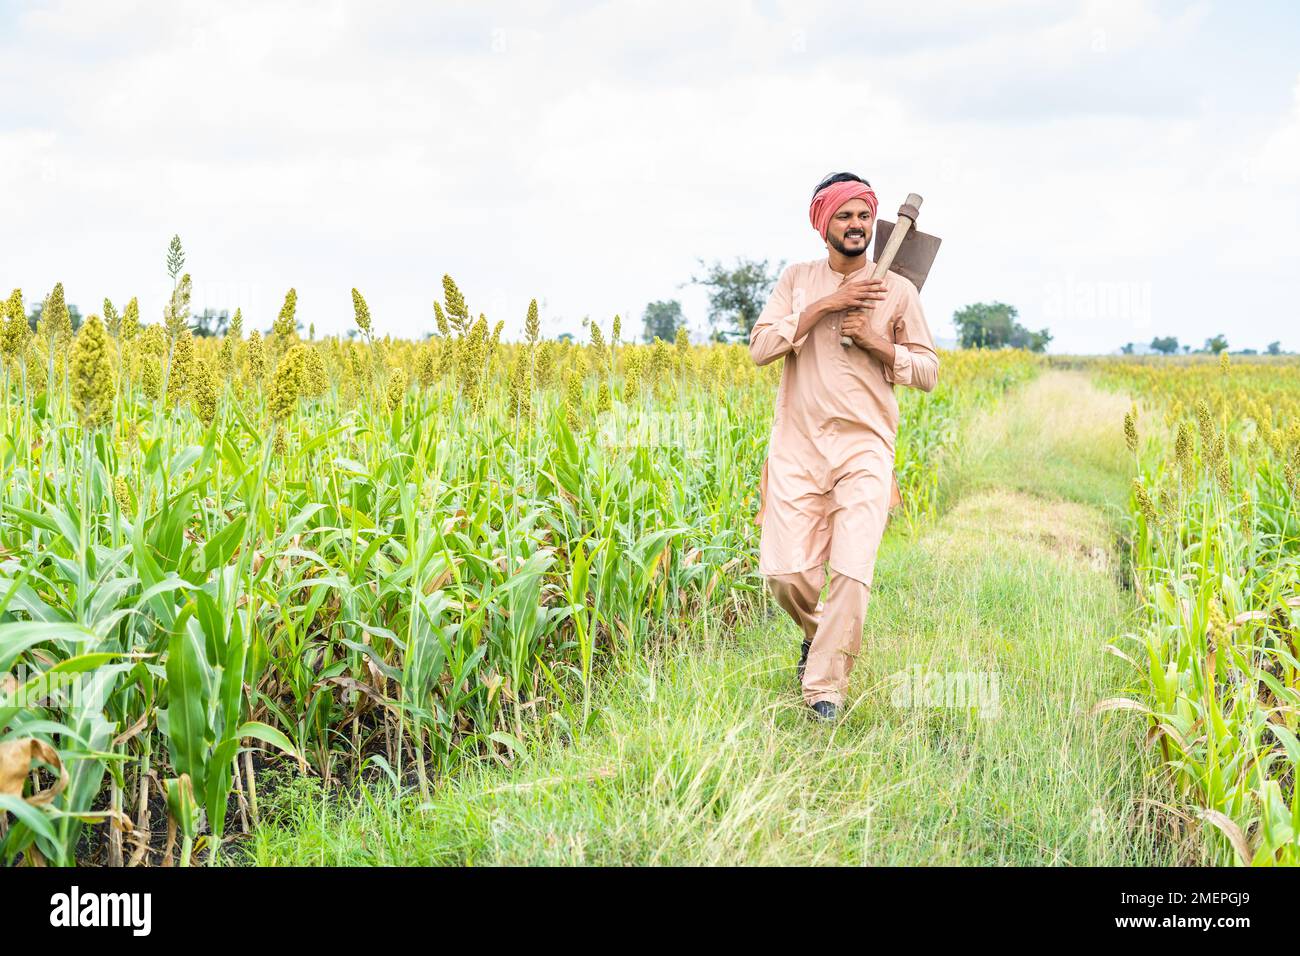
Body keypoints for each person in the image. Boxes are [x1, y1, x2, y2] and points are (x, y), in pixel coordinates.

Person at [749, 172, 939, 722]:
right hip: (797, 448)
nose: (855, 226)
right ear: (822, 224)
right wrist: (831, 305)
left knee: (852, 570)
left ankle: (825, 690)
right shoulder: (798, 280)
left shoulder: (897, 291)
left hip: (866, 449)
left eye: (863, 216)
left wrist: (881, 344)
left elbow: (927, 370)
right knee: (786, 576)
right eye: (844, 216)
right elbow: (761, 348)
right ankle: (820, 640)